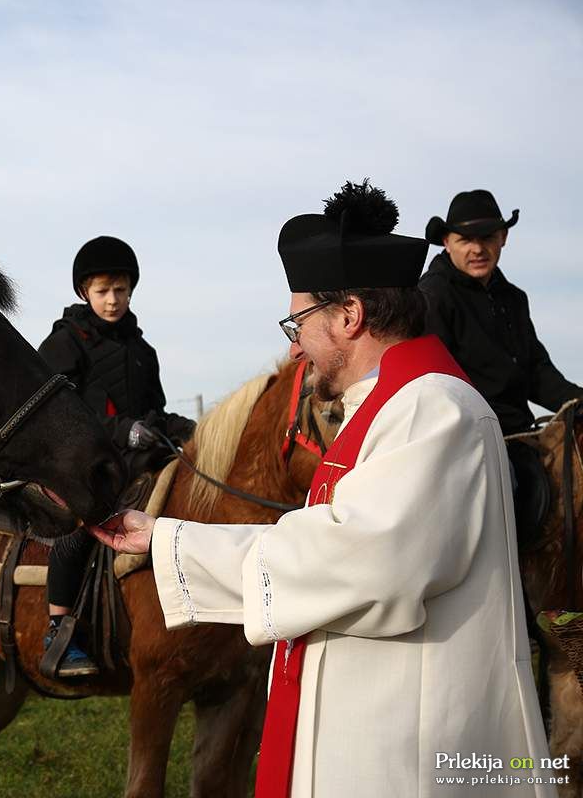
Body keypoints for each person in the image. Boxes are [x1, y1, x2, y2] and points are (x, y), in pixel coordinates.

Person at [90, 180, 550, 796]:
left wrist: (178, 544)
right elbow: (334, 540)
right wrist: (170, 534)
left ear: (350, 315)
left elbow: (355, 559)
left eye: (299, 319)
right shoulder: (389, 408)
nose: (293, 340)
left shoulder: (431, 411)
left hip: (411, 758)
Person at [36, 235, 193, 677]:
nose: (112, 300)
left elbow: (153, 409)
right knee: (79, 526)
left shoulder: (144, 352)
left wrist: (176, 427)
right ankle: (59, 629)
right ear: (84, 291)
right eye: (103, 291)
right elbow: (58, 410)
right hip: (82, 460)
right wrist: (122, 430)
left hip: (139, 461)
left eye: (120, 290)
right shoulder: (65, 342)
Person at [419, 189, 581, 436]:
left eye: (487, 238)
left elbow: (537, 373)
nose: (477, 249)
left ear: (503, 237)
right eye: (465, 240)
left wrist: (578, 403)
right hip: (464, 438)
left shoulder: (514, 298)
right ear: (447, 243)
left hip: (518, 434)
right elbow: (434, 383)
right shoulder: (433, 294)